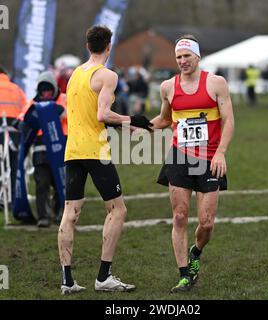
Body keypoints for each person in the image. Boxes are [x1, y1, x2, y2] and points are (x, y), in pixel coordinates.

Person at [58, 25, 153, 295]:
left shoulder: (76, 74)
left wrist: (125, 126)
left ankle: (67, 280)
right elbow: (101, 114)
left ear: (88, 46)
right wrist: (134, 120)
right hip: (95, 151)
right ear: (109, 46)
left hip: (72, 151)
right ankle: (103, 277)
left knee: (70, 213)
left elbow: (88, 115)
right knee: (118, 210)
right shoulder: (107, 75)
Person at [150, 35, 234, 293]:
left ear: (197, 56)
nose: (182, 61)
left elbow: (229, 120)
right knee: (179, 216)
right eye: (178, 57)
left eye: (187, 56)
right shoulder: (168, 87)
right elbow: (164, 120)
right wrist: (138, 125)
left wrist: (221, 152)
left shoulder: (216, 83)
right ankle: (184, 274)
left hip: (209, 158)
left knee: (206, 222)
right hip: (179, 157)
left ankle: (195, 251)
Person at [23, 71, 67, 227]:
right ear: (38, 91)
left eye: (49, 90)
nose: (46, 93)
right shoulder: (33, 104)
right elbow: (26, 121)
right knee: (42, 183)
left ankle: (60, 211)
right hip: (40, 150)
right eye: (43, 90)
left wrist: (59, 112)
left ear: (54, 88)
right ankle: (43, 216)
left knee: (60, 182)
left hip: (60, 147)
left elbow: (72, 116)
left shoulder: (64, 99)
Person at [0, 65, 27, 207]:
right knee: (13, 165)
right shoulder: (16, 89)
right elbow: (26, 109)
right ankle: (11, 199)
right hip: (14, 131)